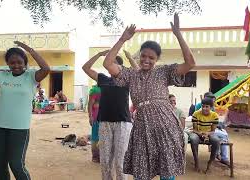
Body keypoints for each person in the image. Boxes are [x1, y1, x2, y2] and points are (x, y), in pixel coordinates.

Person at [103, 13, 195, 180]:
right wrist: (122, 39)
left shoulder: (164, 72)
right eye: (143, 56)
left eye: (151, 58)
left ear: (157, 59)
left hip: (165, 127)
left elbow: (190, 63)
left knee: (167, 173)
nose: (146, 60)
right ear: (139, 56)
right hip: (142, 129)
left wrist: (178, 34)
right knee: (142, 172)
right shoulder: (130, 75)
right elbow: (108, 64)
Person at [0, 40, 50, 180]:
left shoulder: (31, 77)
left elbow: (46, 69)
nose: (16, 65)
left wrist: (30, 50)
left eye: (20, 62)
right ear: (7, 63)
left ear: (25, 63)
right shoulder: (2, 76)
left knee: (16, 164)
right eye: (12, 62)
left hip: (19, 129)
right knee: (0, 166)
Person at [82, 49, 138, 180]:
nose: (110, 67)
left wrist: (130, 58)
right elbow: (86, 68)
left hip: (123, 123)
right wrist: (98, 55)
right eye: (109, 64)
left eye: (113, 64)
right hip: (105, 122)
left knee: (120, 162)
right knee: (105, 161)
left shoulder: (127, 79)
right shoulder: (103, 79)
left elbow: (140, 73)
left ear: (120, 68)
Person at [189, 98, 221, 173]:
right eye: (203, 106)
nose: (204, 108)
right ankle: (196, 162)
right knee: (193, 139)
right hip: (198, 132)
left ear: (211, 107)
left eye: (207, 107)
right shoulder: (196, 114)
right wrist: (200, 133)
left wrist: (207, 134)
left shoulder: (214, 115)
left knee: (216, 140)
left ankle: (210, 162)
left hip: (209, 133)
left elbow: (213, 130)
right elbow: (195, 130)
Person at [88, 85, 101, 163]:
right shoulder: (95, 90)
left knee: (101, 137)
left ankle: (99, 157)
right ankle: (95, 157)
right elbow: (90, 105)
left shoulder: (106, 89)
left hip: (104, 119)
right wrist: (90, 116)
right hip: (96, 118)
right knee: (96, 137)